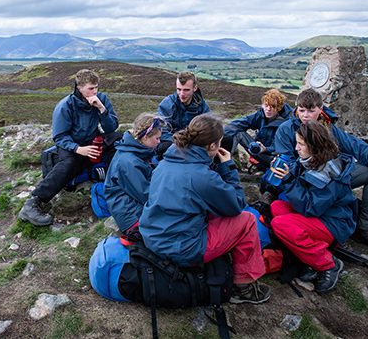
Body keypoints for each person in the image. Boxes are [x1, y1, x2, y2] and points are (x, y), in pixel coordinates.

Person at [140, 114, 271, 304]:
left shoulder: (166, 162)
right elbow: (236, 205)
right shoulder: (201, 176)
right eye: (218, 143)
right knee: (247, 221)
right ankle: (243, 287)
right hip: (181, 249)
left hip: (153, 238)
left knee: (214, 213)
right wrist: (228, 167)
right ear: (212, 146)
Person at [273, 88, 368, 253]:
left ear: (321, 109)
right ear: (296, 109)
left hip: (331, 176)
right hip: (306, 181)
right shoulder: (287, 129)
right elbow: (286, 162)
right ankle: (331, 221)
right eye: (302, 110)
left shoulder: (329, 128)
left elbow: (357, 146)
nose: (305, 115)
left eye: (311, 111)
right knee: (297, 203)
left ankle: (366, 229)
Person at [19, 69, 119, 227]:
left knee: (120, 138)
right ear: (79, 88)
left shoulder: (101, 99)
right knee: (69, 164)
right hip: (72, 144)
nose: (95, 91)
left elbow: (111, 128)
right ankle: (33, 202)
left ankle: (115, 178)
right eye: (91, 88)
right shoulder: (66, 106)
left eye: (96, 87)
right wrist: (78, 149)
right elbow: (59, 137)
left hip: (92, 140)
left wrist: (102, 110)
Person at [269, 121, 357, 294]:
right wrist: (284, 170)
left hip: (334, 223)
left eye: (301, 144)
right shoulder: (311, 160)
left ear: (314, 145)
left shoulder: (330, 173)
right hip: (320, 216)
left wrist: (287, 181)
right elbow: (300, 182)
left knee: (280, 224)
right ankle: (307, 256)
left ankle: (328, 264)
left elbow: (311, 207)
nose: (296, 148)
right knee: (277, 207)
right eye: (297, 142)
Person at [103, 113, 162, 243]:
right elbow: (145, 194)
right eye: (157, 138)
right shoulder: (129, 162)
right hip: (129, 213)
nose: (159, 142)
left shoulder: (136, 150)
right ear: (145, 137)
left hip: (132, 203)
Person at [223, 88, 292, 170]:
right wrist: (220, 134)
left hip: (273, 157)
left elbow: (281, 147)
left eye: (273, 106)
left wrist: (266, 149)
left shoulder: (286, 123)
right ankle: (225, 163)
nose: (268, 109)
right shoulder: (261, 115)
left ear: (279, 108)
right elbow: (241, 123)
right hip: (257, 149)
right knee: (236, 132)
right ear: (262, 105)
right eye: (266, 106)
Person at [156, 71, 210, 158]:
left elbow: (207, 129)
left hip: (195, 143)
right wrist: (181, 142)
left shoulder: (202, 106)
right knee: (163, 147)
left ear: (195, 88)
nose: (182, 94)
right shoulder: (167, 104)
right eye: (179, 89)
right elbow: (162, 131)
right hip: (173, 142)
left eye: (186, 90)